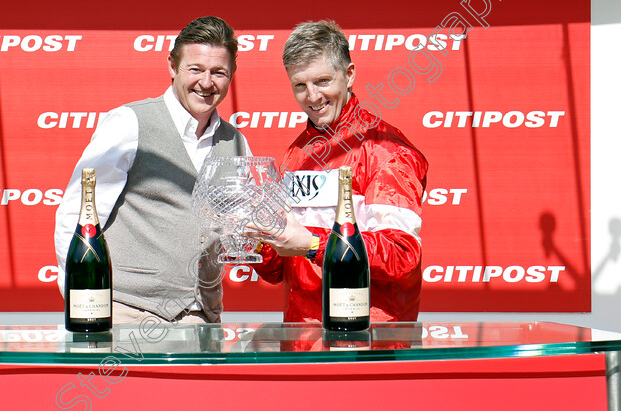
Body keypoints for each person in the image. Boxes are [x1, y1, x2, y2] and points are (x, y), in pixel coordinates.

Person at [54, 16, 251, 324]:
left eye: (219, 72)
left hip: (201, 316)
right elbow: (78, 215)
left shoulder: (236, 142)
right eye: (195, 69)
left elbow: (242, 225)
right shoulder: (128, 123)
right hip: (125, 312)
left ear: (231, 76)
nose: (207, 82)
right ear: (173, 67)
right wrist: (82, 300)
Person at [248, 20, 428, 323]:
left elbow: (401, 255)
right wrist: (257, 240)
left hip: (367, 339)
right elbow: (279, 270)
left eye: (322, 81)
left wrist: (314, 245)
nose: (313, 96)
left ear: (349, 75)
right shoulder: (295, 154)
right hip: (301, 339)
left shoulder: (387, 150)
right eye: (300, 86)